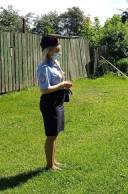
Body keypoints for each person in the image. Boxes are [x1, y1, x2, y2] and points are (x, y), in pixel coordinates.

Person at [37, 35, 73, 170]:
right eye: (55, 50)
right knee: (51, 135)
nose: (57, 53)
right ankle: (49, 165)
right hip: (49, 103)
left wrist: (62, 82)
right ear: (48, 50)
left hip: (58, 101)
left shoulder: (54, 63)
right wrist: (62, 84)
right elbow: (44, 89)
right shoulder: (43, 67)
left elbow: (57, 79)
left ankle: (54, 161)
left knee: (55, 134)